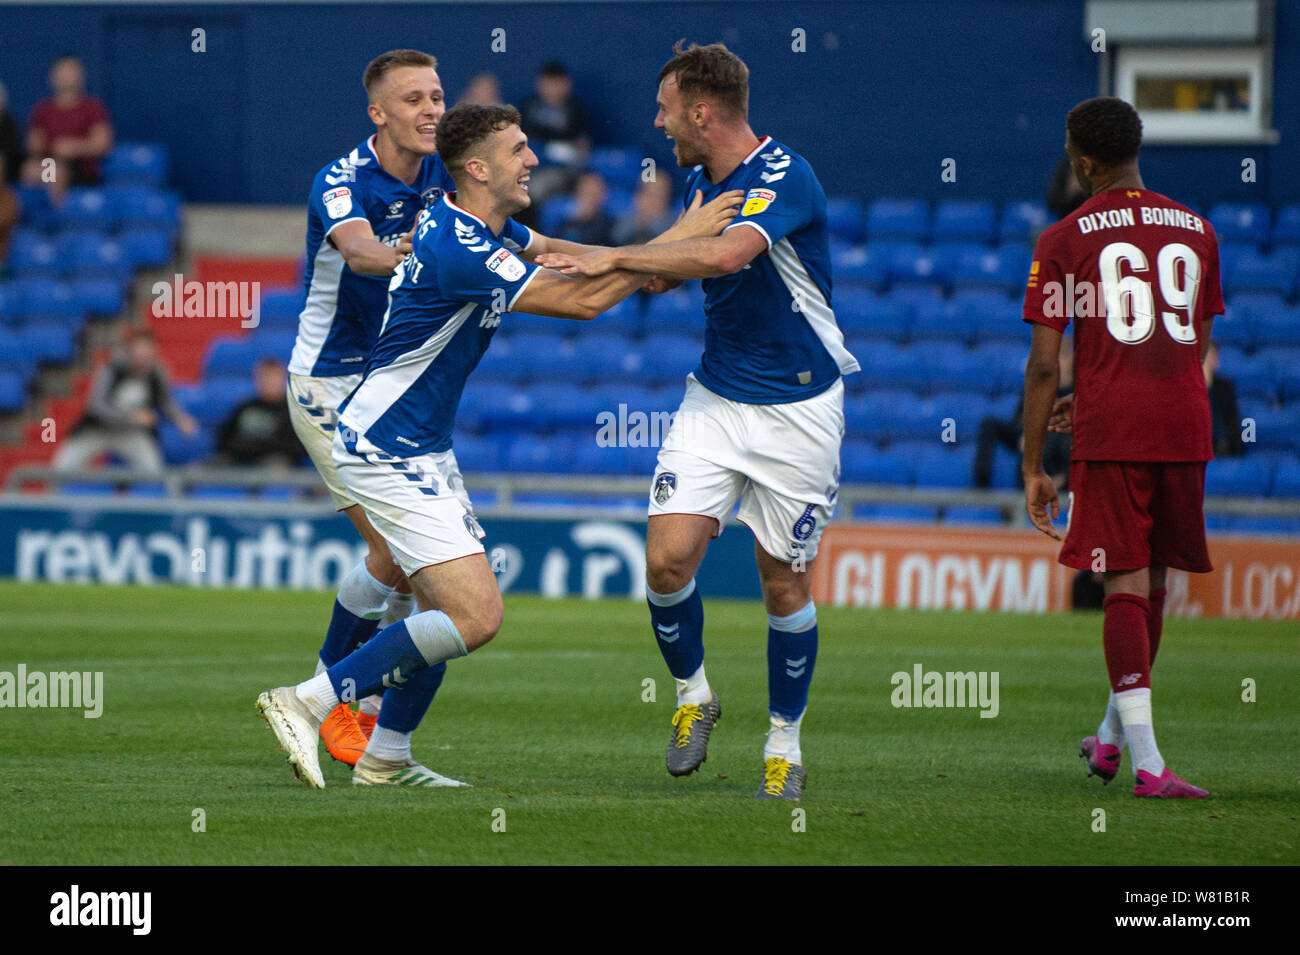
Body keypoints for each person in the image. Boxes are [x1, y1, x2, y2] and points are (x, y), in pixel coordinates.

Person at [256, 103, 741, 789]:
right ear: (478, 168)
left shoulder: (490, 228)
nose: (533, 160)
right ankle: (306, 701)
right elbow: (579, 302)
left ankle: (386, 756)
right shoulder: (458, 243)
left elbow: (575, 260)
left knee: (441, 609)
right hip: (386, 445)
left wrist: (653, 259)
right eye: (518, 150)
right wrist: (680, 237)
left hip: (420, 445)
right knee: (474, 614)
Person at [538, 42, 859, 801]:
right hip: (715, 399)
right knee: (665, 562)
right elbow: (658, 269)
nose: (657, 121)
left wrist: (616, 256)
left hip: (799, 410)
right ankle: (694, 698)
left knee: (783, 583)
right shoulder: (697, 178)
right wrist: (563, 251)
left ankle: (784, 745)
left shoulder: (785, 174)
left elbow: (720, 258)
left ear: (702, 112)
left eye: (666, 108)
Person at [1022, 96, 1221, 799]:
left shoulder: (1065, 239)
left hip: (1115, 432)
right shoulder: (1198, 230)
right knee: (1155, 580)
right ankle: (1111, 739)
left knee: (1123, 583)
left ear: (1083, 162)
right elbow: (1194, 344)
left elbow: (1045, 364)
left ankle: (1149, 765)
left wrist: (1033, 463)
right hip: (1183, 423)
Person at [53, 328, 198, 474]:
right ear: (130, 350)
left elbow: (165, 400)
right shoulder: (111, 370)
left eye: (148, 351)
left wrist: (180, 419)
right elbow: (96, 406)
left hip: (131, 433)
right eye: (140, 350)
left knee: (153, 470)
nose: (144, 355)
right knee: (62, 467)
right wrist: (131, 418)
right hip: (97, 430)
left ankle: (152, 496)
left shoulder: (155, 372)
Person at [973, 336, 1072, 490]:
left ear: (1068, 360)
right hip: (1031, 433)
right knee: (989, 424)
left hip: (1058, 438)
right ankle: (980, 486)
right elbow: (1018, 418)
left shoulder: (1076, 391)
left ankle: (1059, 483)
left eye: (1059, 356)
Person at [21, 57, 113, 194]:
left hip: (81, 169)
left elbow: (103, 144)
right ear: (52, 77)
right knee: (30, 170)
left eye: (71, 72)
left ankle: (57, 214)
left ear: (81, 77)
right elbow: (34, 144)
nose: (67, 77)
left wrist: (74, 147)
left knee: (56, 174)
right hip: (50, 163)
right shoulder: (43, 110)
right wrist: (38, 146)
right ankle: (31, 212)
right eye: (62, 72)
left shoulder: (92, 108)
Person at [213, 358, 302, 468]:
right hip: (240, 458)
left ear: (283, 380)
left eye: (273, 377)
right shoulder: (245, 407)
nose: (268, 382)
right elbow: (224, 437)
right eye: (264, 377)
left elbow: (296, 447)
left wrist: (260, 446)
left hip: (275, 462)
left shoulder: (292, 411)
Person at [1203, 341, 1244, 457]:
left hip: (1222, 450)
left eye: (1210, 355)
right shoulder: (1186, 389)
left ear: (1216, 360)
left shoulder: (1225, 388)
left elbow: (1232, 422)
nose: (1206, 359)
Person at [558, 171, 616, 247]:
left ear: (603, 196)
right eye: (585, 192)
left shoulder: (609, 226)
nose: (588, 198)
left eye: (593, 194)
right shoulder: (567, 222)